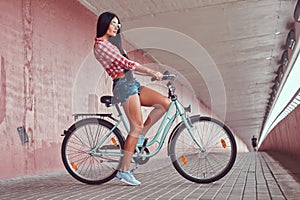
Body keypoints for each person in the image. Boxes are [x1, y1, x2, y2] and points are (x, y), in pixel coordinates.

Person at [93, 12, 171, 186]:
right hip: (123, 86)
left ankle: (141, 138)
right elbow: (126, 64)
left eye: (118, 24)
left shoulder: (113, 44)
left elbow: (130, 67)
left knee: (164, 103)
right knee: (135, 126)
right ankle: (124, 171)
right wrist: (151, 71)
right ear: (104, 23)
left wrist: (151, 74)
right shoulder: (101, 45)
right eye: (113, 23)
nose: (116, 27)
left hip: (132, 83)